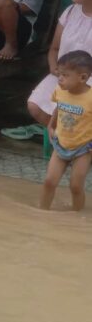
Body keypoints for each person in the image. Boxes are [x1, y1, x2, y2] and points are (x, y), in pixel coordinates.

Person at [2, 0, 92, 140]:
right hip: (63, 74)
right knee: (35, 105)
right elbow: (54, 48)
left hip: (88, 79)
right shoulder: (70, 12)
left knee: (82, 109)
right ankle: (70, 141)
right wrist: (54, 67)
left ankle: (80, 143)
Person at [39, 51, 92, 211]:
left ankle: (77, 217)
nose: (60, 78)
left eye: (65, 75)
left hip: (84, 147)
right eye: (59, 74)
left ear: (82, 78)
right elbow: (59, 108)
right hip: (61, 143)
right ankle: (41, 212)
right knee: (49, 182)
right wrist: (50, 125)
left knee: (76, 186)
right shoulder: (60, 91)